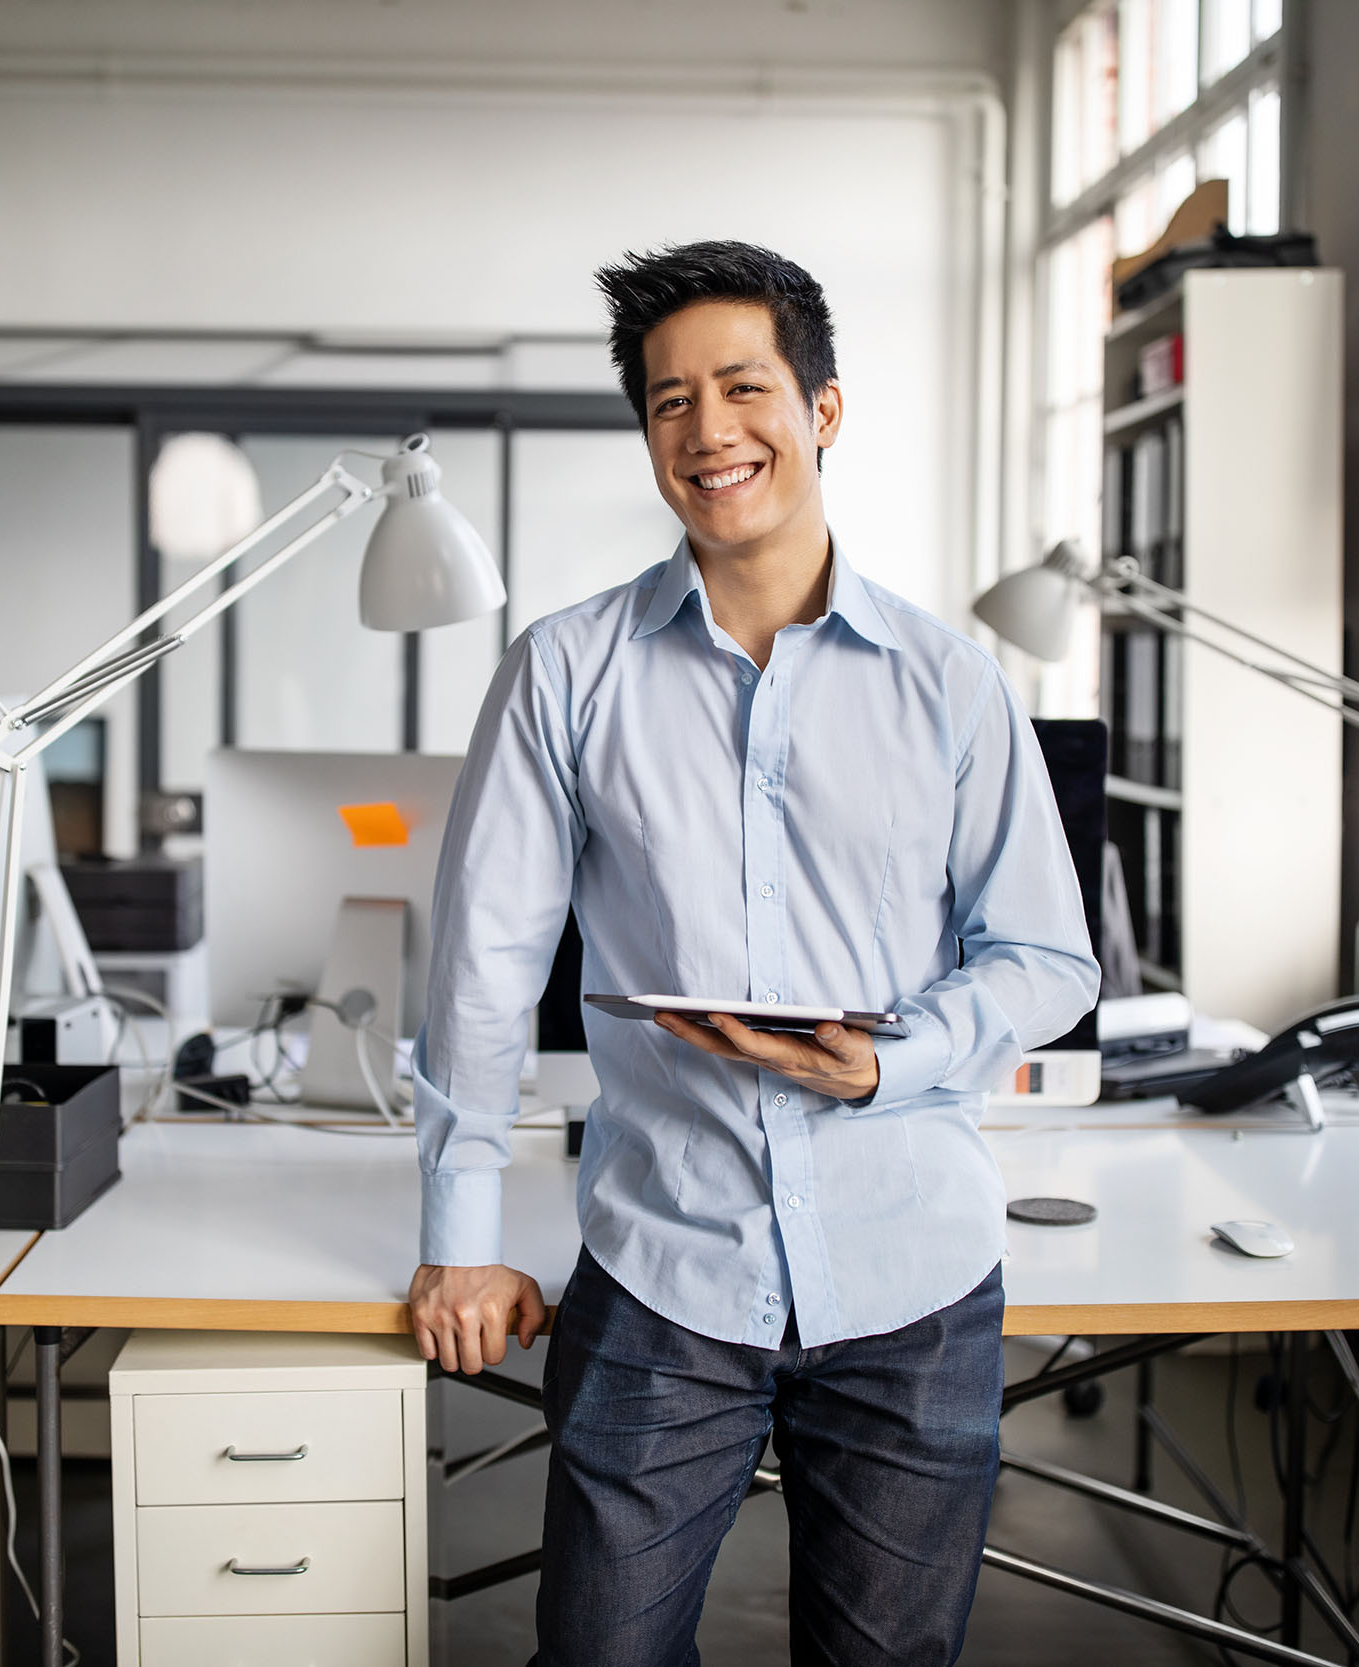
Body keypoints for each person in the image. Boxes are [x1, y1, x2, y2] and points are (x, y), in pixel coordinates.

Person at [407, 240, 1099, 1666]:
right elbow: (483, 969)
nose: (709, 431)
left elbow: (1046, 957)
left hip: (913, 1276)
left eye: (743, 386)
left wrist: (889, 1061)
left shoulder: (953, 682)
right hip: (667, 1271)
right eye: (669, 401)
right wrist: (460, 1248)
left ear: (823, 408)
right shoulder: (565, 670)